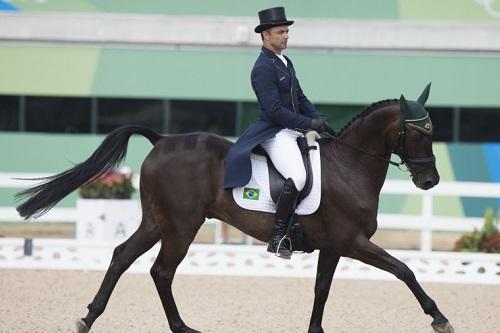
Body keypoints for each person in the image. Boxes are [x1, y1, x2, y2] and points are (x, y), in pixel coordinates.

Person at [223, 7, 333, 259]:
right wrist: (308, 123)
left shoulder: (285, 62)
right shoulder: (262, 67)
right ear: (265, 36)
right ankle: (279, 235)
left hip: (292, 130)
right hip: (275, 132)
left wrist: (318, 118)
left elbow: (301, 97)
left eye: (287, 32)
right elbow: (273, 110)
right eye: (280, 32)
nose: (286, 36)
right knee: (298, 175)